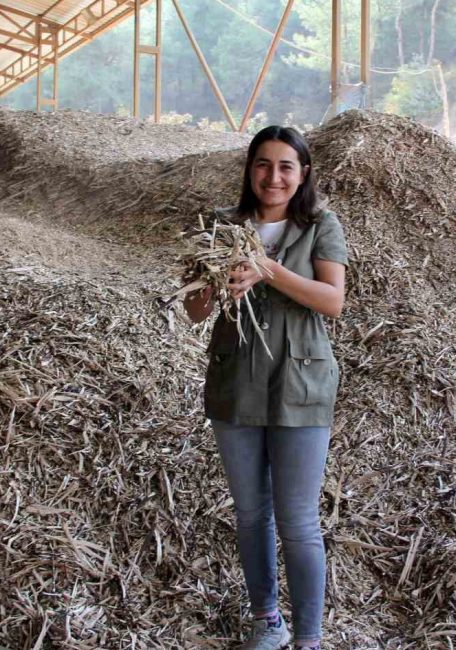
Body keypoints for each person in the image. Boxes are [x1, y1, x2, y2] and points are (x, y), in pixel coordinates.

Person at [183, 126, 347, 650]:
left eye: (285, 167)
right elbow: (194, 311)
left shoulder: (320, 225)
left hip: (301, 382)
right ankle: (266, 620)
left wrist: (268, 270)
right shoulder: (222, 226)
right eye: (262, 164)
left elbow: (331, 301)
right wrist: (213, 281)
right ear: (249, 169)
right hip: (236, 381)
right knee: (251, 513)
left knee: (297, 519)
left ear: (302, 176)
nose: (272, 177)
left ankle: (309, 638)